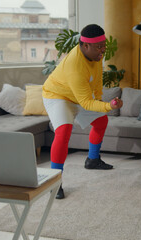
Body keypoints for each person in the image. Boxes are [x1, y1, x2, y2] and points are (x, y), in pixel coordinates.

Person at [42, 24, 123, 199]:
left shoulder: (95, 55)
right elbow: (86, 103)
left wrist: (100, 100)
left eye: (104, 45)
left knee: (101, 121)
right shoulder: (75, 66)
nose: (103, 50)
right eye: (99, 46)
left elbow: (96, 81)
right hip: (58, 96)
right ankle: (55, 182)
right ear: (85, 46)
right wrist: (108, 106)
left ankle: (92, 160)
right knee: (63, 132)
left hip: (77, 95)